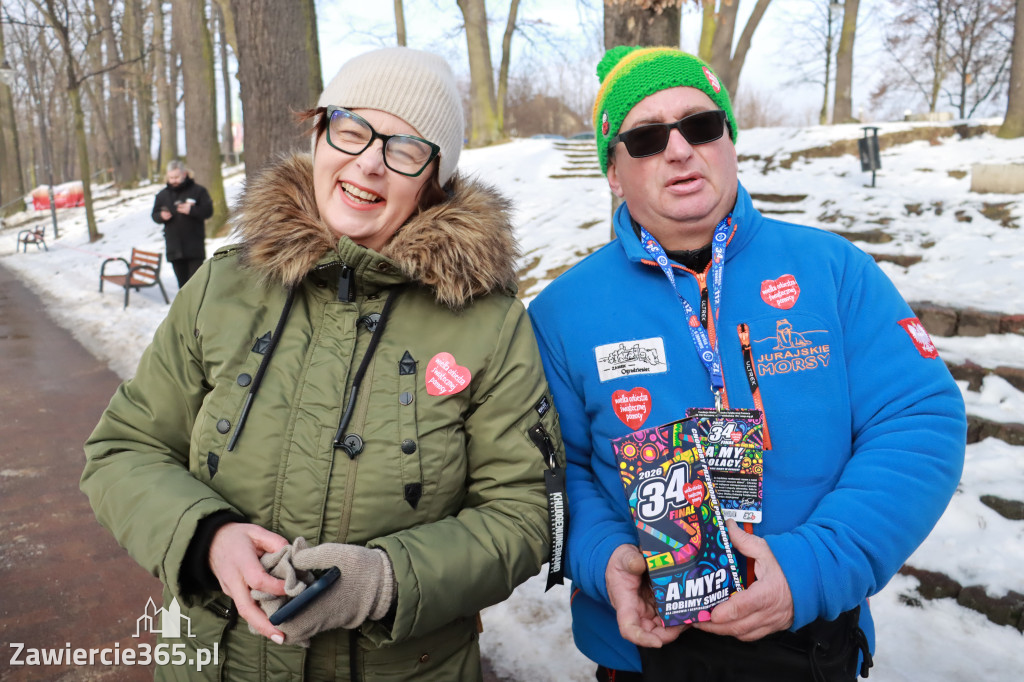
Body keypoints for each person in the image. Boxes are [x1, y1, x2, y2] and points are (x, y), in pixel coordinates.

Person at [83, 46, 564, 681]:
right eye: (351, 128)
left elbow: (525, 512)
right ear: (319, 131)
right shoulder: (221, 289)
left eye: (406, 147)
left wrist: (386, 581)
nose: (369, 162)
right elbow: (124, 448)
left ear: (434, 179)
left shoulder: (488, 323)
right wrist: (205, 537)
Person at [527, 46, 966, 681]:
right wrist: (604, 558)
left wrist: (815, 565)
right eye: (647, 139)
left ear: (729, 140)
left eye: (700, 126)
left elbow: (919, 421)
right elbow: (550, 472)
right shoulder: (563, 312)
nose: (679, 150)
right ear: (614, 173)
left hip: (813, 642)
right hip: (646, 653)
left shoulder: (832, 269)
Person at [152, 160, 213, 288]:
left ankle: (198, 308)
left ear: (184, 174)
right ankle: (185, 308)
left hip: (194, 246)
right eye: (171, 177)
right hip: (174, 247)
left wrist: (192, 210)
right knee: (183, 286)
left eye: (176, 177)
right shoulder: (162, 195)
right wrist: (161, 216)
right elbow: (154, 215)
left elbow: (208, 211)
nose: (173, 180)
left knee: (196, 284)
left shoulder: (199, 191)